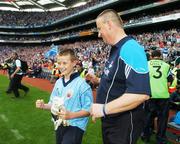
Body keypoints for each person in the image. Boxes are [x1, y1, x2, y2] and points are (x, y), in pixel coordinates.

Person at [90, 9, 151, 144]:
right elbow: (118, 81)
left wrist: (103, 109)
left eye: (100, 28)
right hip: (112, 119)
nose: (99, 34)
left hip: (123, 122)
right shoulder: (117, 48)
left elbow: (140, 94)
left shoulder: (130, 48)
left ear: (109, 25)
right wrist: (99, 81)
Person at [35, 49, 93, 144]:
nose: (61, 66)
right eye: (59, 63)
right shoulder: (58, 83)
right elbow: (53, 104)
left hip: (75, 126)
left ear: (74, 63)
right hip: (59, 123)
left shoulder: (82, 85)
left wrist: (72, 115)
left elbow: (89, 110)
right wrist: (44, 105)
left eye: (64, 63)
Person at [142, 50, 173, 144]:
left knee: (148, 117)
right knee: (162, 119)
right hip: (163, 96)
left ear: (151, 56)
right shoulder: (166, 66)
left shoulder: (146, 64)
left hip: (150, 95)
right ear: (160, 56)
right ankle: (160, 139)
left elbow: (143, 80)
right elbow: (169, 82)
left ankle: (146, 136)